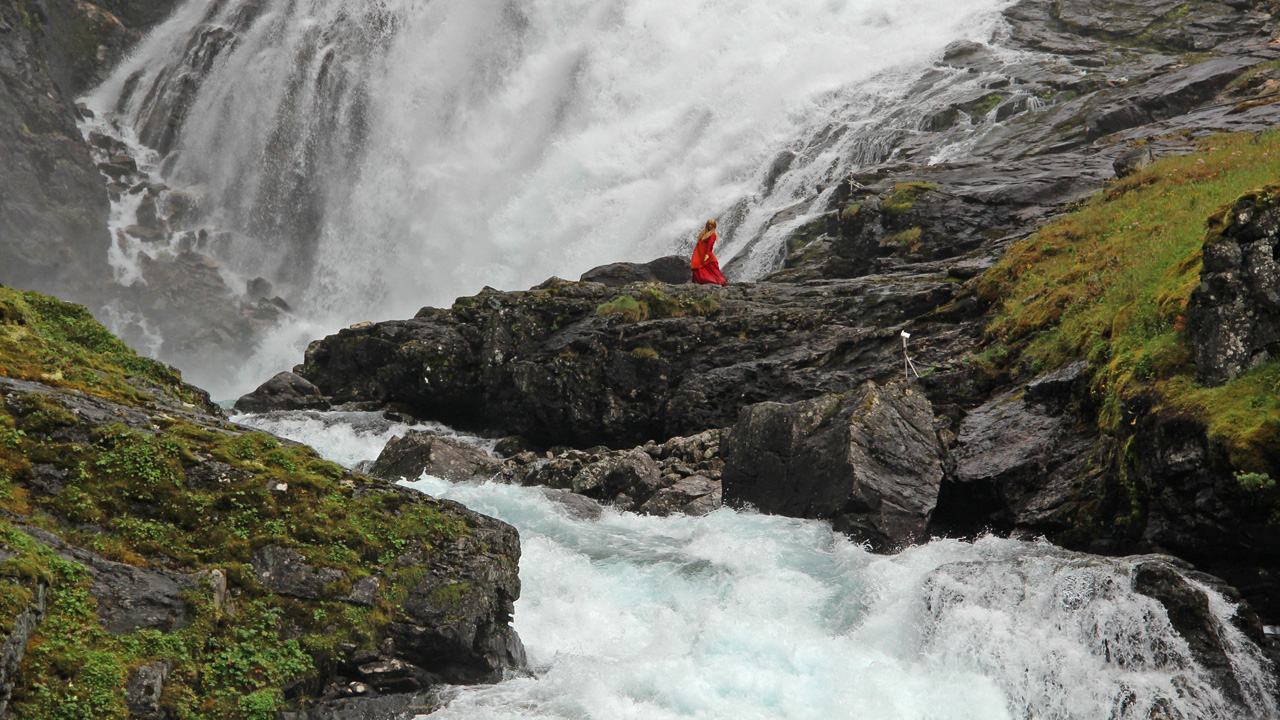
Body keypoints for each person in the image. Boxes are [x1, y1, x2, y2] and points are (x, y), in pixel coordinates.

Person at [690, 219, 727, 285]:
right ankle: (700, 280)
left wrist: (707, 254)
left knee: (709, 267)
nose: (710, 226)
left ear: (714, 226)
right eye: (709, 224)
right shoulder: (704, 233)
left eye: (712, 225)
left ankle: (717, 281)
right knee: (698, 265)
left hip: (705, 253)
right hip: (699, 252)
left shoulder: (712, 235)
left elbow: (710, 245)